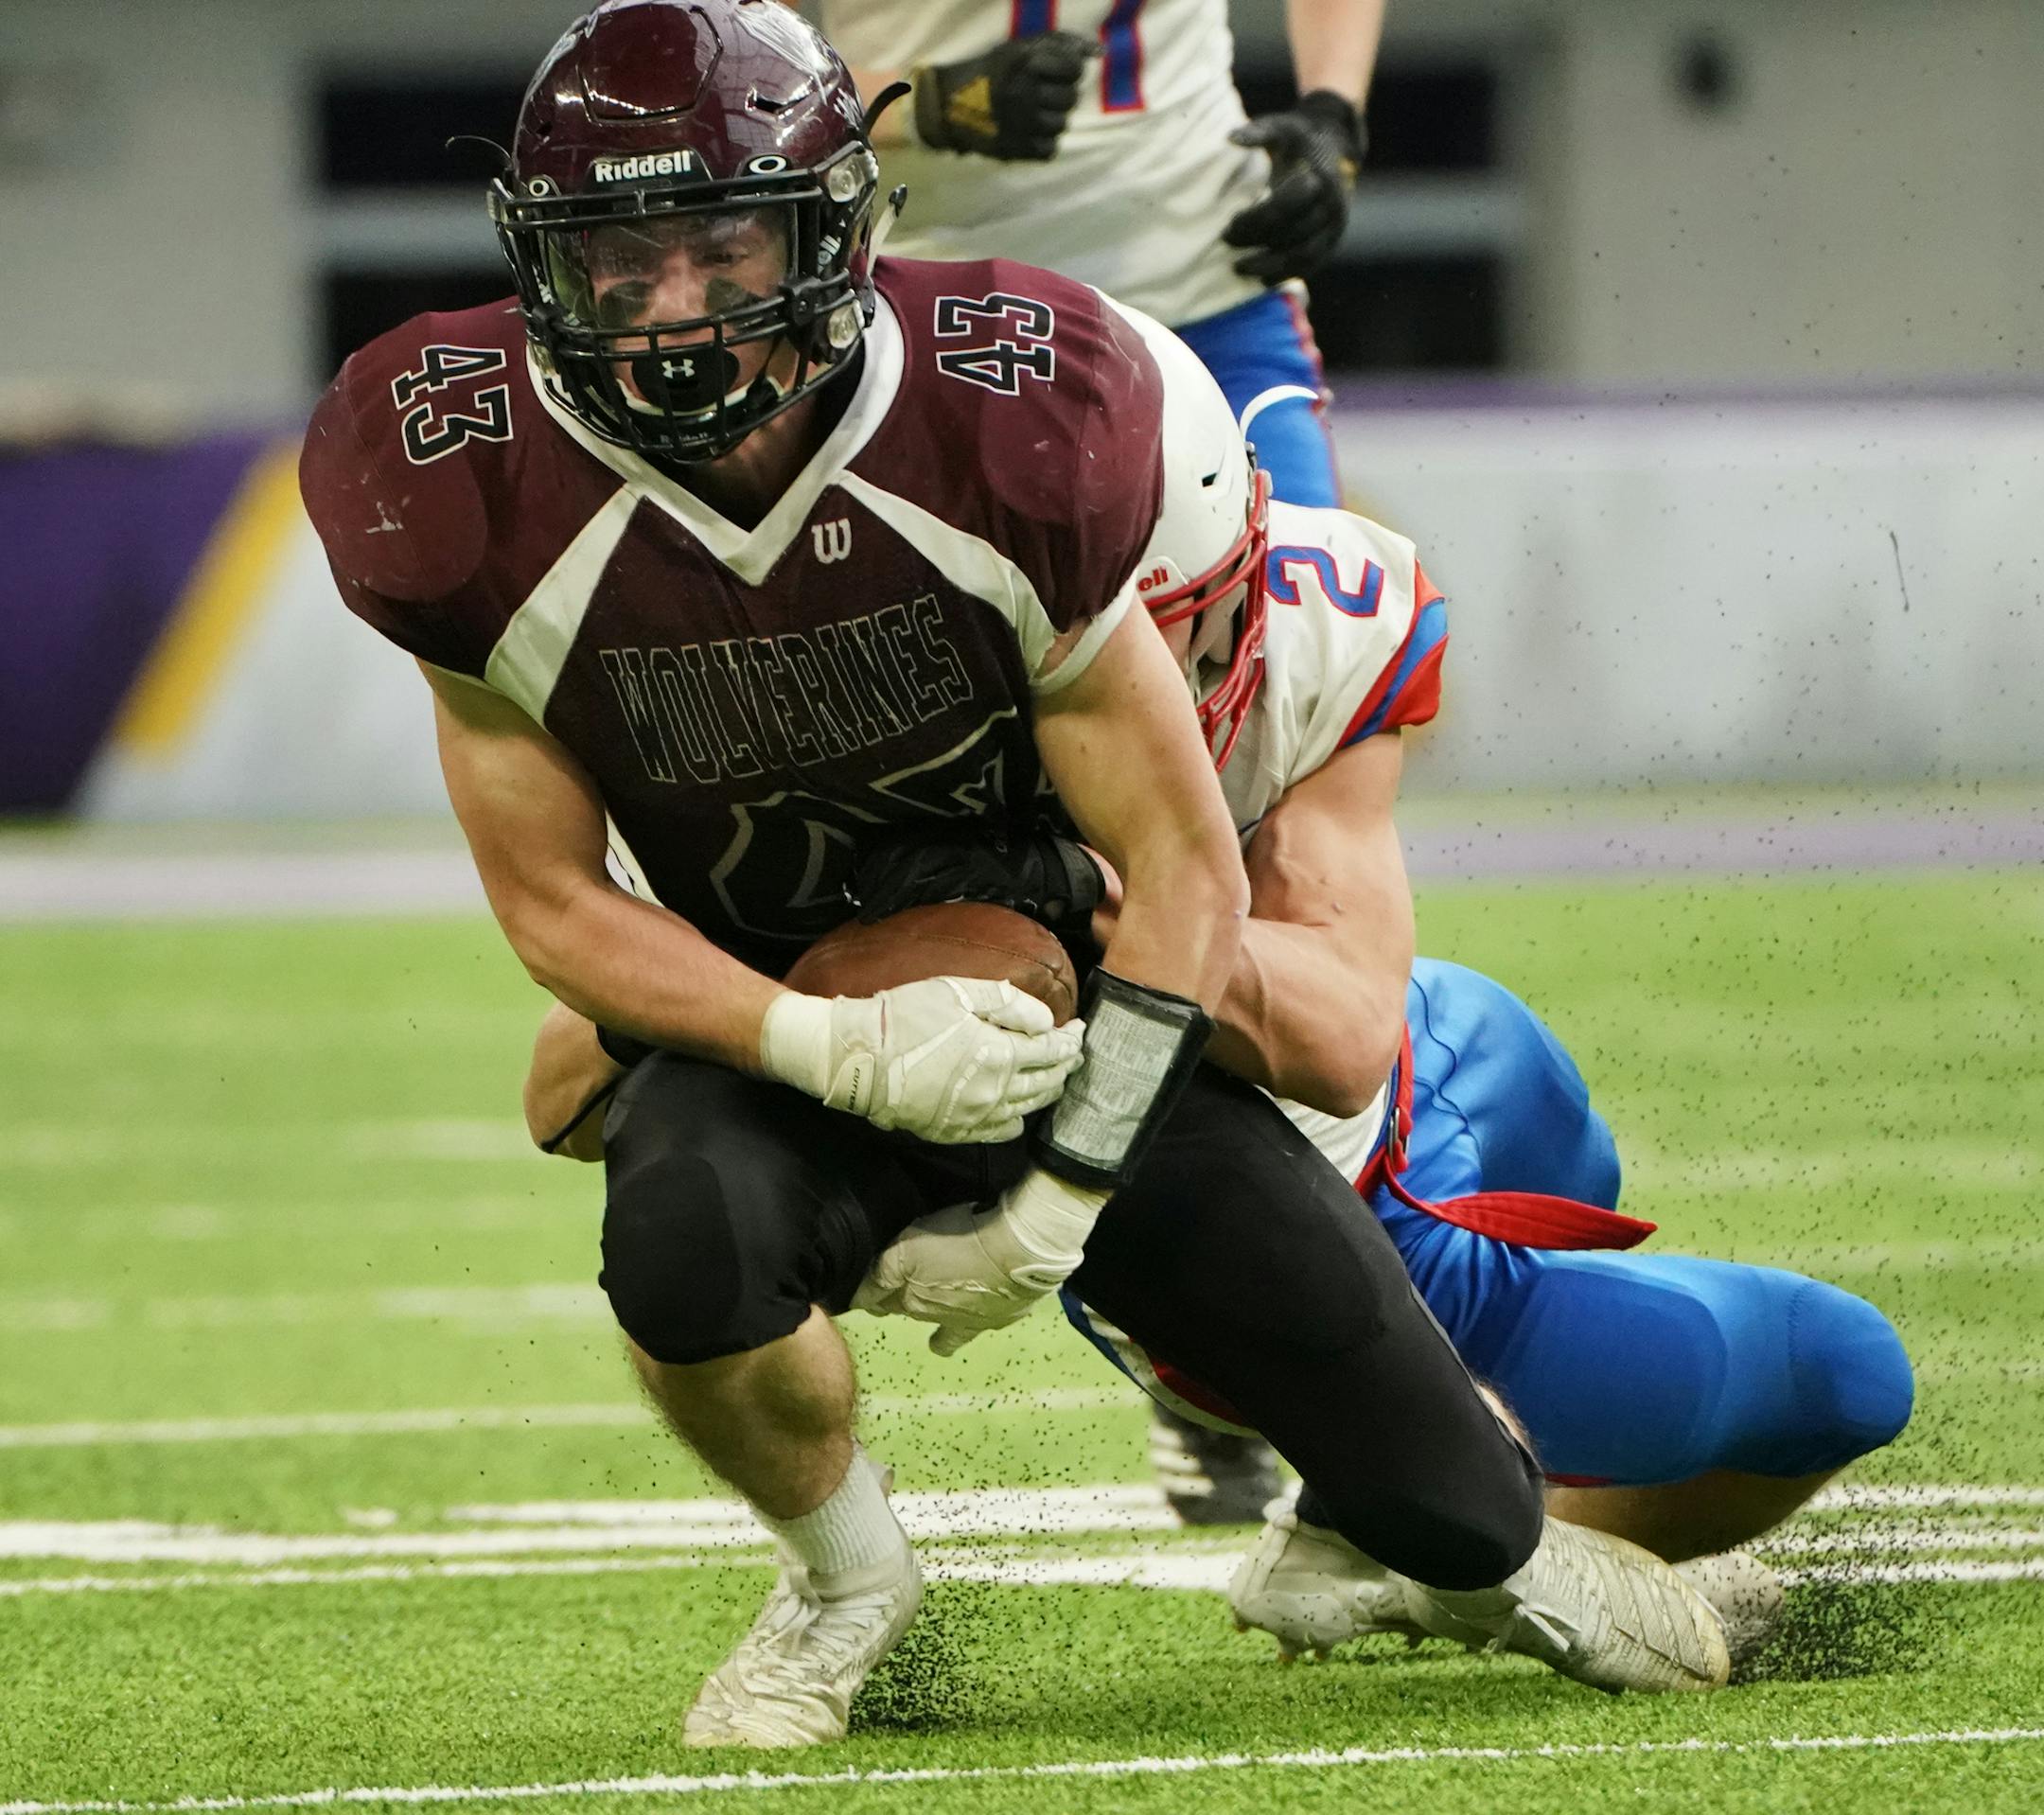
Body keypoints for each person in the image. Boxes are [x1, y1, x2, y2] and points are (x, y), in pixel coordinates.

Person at [308, 0, 1724, 1753]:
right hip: (779, 1019)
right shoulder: (453, 476)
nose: (672, 309)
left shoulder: (1003, 419)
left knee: (1463, 1512)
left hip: (1077, 1001)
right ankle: (842, 1576)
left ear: (830, 227)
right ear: (542, 265)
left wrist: (1058, 1201)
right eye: (621, 262)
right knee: (677, 1229)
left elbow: (1187, 877)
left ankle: (1472, 1535)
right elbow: (552, 909)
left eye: (721, 244)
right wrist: (818, 1044)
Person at [843, 388, 1912, 1664]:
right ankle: (1475, 1537)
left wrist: (1130, 901)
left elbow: (1351, 1027)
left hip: (1395, 1083)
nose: (1173, 679)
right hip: (1294, 1237)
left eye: (1208, 627)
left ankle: (1365, 1516)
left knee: (1524, 1068)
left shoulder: (1311, 606)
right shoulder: (915, 733)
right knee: (1851, 1370)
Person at [810, 0, 1380, 509]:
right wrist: (920, 106)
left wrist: (1333, 111)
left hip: (1204, 285)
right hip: (939, 316)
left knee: (1297, 608)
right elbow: (737, 62)